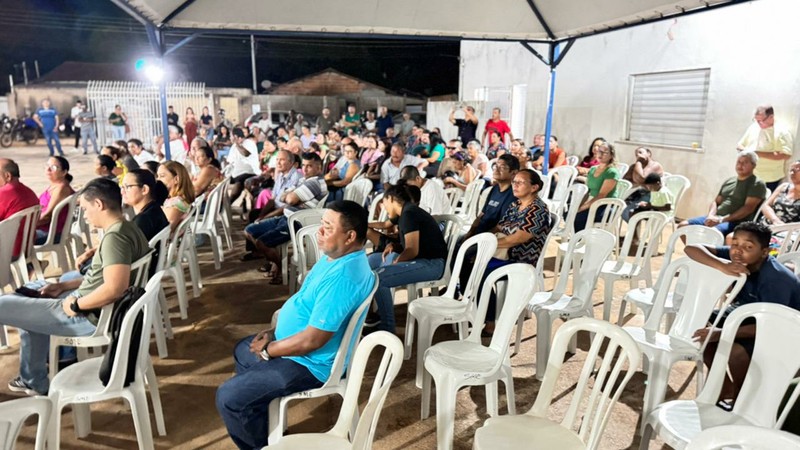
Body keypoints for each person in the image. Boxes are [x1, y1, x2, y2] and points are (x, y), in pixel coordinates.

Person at [216, 200, 374, 449]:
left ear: (350, 236)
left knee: (229, 397)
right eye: (322, 224)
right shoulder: (335, 257)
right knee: (242, 350)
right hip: (295, 348)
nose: (320, 231)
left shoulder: (344, 277)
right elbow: (303, 304)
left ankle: (259, 445)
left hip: (310, 364)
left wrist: (269, 350)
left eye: (328, 227)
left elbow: (313, 340)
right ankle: (265, 422)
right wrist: (273, 333)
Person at [1, 177, 149, 396]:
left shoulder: (115, 238)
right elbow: (107, 276)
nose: (84, 216)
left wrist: (76, 305)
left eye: (85, 209)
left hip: (87, 315)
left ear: (99, 204)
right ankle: (33, 379)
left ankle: (34, 379)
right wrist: (63, 286)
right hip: (92, 305)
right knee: (35, 288)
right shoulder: (127, 227)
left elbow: (114, 288)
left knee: (4, 304)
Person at [687, 222, 800, 405]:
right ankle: (724, 386)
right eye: (735, 243)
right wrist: (722, 266)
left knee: (736, 352)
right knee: (702, 327)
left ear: (764, 252)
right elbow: (691, 249)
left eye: (748, 247)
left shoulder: (774, 280)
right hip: (750, 313)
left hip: (786, 329)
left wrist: (723, 333)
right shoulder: (740, 257)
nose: (738, 251)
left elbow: (771, 326)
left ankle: (741, 399)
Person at [471, 169, 551, 334]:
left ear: (534, 187)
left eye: (520, 182)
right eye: (514, 182)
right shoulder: (516, 204)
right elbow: (500, 226)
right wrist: (487, 237)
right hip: (504, 254)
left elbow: (517, 239)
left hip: (520, 260)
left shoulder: (537, 210)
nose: (515, 185)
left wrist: (489, 245)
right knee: (469, 262)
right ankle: (475, 309)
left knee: (479, 270)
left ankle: (490, 320)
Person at [368, 184, 448, 333]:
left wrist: (395, 263)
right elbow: (412, 244)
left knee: (379, 278)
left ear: (391, 199)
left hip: (432, 264)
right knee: (371, 261)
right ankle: (369, 314)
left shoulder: (409, 214)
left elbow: (412, 250)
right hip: (422, 260)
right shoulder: (406, 212)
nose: (384, 208)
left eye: (384, 203)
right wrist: (395, 246)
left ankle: (386, 328)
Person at [244, 153, 328, 282]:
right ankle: (275, 263)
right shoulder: (304, 180)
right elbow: (283, 197)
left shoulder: (315, 183)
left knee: (262, 242)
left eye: (309, 166)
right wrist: (292, 198)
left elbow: (290, 199)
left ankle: (280, 268)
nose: (305, 169)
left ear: (319, 168)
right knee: (249, 230)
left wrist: (291, 197)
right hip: (285, 217)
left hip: (297, 222)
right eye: (304, 165)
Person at [679, 151, 767, 235]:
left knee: (711, 233)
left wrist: (721, 220)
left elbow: (748, 208)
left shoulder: (756, 184)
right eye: (739, 162)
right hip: (716, 217)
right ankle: (694, 246)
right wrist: (710, 216)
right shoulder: (729, 181)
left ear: (753, 165)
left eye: (745, 163)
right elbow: (716, 202)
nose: (740, 165)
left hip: (735, 222)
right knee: (683, 226)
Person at [737, 105, 794, 191]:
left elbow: (785, 154)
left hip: (769, 178)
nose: (758, 123)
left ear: (771, 117)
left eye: (761, 120)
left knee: (763, 199)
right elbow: (740, 144)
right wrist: (745, 152)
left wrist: (757, 153)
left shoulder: (782, 131)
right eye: (756, 120)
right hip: (750, 174)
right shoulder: (754, 127)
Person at [464, 154, 520, 238]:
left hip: (490, 238)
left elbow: (501, 225)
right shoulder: (495, 188)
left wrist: (481, 238)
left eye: (502, 167)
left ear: (514, 173)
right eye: (496, 166)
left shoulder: (513, 194)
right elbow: (481, 215)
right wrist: (470, 232)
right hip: (478, 233)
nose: (496, 170)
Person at [574, 141, 621, 232]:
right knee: (569, 213)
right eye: (600, 151)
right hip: (593, 201)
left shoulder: (611, 172)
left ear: (611, 155)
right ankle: (578, 237)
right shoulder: (592, 169)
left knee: (579, 217)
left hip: (605, 205)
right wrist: (579, 205)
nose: (601, 154)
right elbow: (588, 191)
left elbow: (601, 195)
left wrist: (583, 207)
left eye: (605, 152)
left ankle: (582, 238)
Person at [0, 159, 39, 260]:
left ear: (7, 176)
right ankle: (30, 266)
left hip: (8, 250)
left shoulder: (4, 193)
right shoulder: (29, 192)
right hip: (27, 247)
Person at [35, 156, 75, 245]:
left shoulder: (61, 188)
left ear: (64, 172)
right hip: (44, 228)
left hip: (51, 233)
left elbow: (47, 217)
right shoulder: (55, 185)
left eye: (53, 167)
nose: (48, 169)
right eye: (47, 166)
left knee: (12, 239)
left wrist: (27, 226)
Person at [121, 169, 169, 240]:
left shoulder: (143, 220)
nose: (122, 192)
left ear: (144, 189)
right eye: (122, 187)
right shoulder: (154, 209)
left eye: (127, 187)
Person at [157, 161, 195, 231]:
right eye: (157, 176)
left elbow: (165, 232)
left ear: (176, 179)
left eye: (162, 176)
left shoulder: (175, 204)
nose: (158, 180)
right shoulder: (177, 199)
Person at [759, 161, 800, 226]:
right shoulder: (784, 187)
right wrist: (775, 220)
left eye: (797, 170)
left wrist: (784, 227)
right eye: (791, 170)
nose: (792, 173)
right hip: (768, 224)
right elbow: (765, 205)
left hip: (790, 229)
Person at [227, 127, 261, 203]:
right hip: (236, 172)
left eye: (230, 136)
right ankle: (222, 203)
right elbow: (230, 161)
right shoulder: (233, 146)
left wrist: (237, 144)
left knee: (240, 181)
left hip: (250, 171)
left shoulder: (249, 143)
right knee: (223, 181)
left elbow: (246, 153)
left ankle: (229, 202)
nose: (229, 138)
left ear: (235, 136)